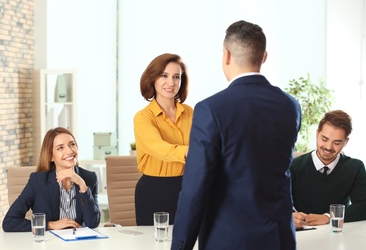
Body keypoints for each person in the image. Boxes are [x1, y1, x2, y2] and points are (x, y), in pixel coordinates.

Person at [171, 20, 301, 250]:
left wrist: (180, 246)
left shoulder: (211, 109)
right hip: (279, 239)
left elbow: (195, 189)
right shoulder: (290, 106)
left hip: (228, 241)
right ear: (264, 57)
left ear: (227, 55)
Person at [134, 53, 193, 225]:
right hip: (154, 190)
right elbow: (158, 148)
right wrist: (191, 151)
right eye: (164, 76)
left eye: (176, 77)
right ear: (153, 79)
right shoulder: (144, 117)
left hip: (187, 186)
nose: (171, 83)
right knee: (153, 242)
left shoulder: (190, 113)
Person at [3, 127, 100, 232]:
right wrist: (51, 225)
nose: (69, 151)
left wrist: (82, 186)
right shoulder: (37, 181)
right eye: (60, 148)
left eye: (72, 144)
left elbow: (93, 223)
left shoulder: (89, 178)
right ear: (51, 156)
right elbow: (9, 222)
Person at [291, 110, 366, 229]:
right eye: (324, 139)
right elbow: (276, 204)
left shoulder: (355, 167)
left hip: (337, 233)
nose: (328, 147)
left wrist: (328, 217)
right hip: (302, 234)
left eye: (337, 142)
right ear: (317, 134)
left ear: (345, 142)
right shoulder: (293, 166)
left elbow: (363, 206)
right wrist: (289, 216)